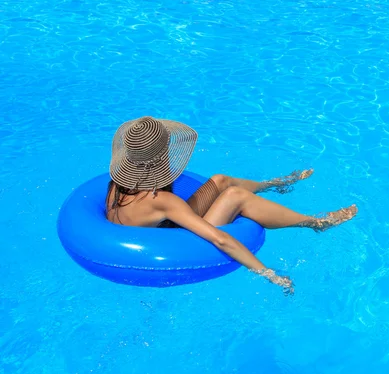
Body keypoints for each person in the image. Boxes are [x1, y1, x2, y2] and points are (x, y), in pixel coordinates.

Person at [105, 116, 357, 294]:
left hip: (161, 228)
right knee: (235, 196)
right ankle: (315, 222)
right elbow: (220, 240)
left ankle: (273, 183)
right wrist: (268, 273)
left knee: (220, 180)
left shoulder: (116, 184)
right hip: (175, 244)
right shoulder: (160, 201)